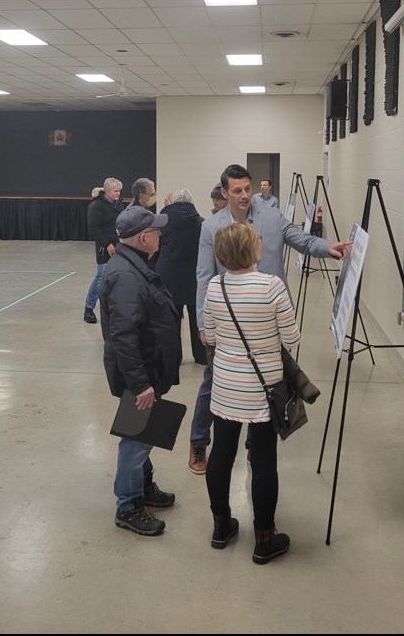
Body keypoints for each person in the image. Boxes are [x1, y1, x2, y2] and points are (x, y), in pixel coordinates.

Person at [186, 163, 349, 476]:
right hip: (231, 322)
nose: (245, 195)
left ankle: (254, 447)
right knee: (214, 382)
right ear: (225, 193)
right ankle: (198, 441)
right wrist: (203, 323)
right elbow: (204, 275)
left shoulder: (270, 217)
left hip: (267, 319)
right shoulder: (212, 226)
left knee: (268, 382)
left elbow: (300, 239)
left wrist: (328, 248)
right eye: (238, 190)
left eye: (247, 189)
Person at [202, 222, 299, 563]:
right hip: (263, 389)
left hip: (226, 388)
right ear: (251, 248)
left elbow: (209, 338)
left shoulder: (215, 287)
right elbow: (292, 337)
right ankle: (264, 537)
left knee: (221, 455)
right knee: (263, 462)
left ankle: (220, 525)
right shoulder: (271, 287)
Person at [100, 205, 182, 536]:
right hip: (140, 373)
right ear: (144, 237)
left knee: (144, 435)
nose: (161, 235)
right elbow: (124, 337)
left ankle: (144, 487)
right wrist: (141, 384)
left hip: (149, 368)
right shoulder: (125, 277)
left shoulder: (134, 265)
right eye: (157, 231)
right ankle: (128, 505)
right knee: (135, 440)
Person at [154, 189, 206, 366]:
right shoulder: (201, 223)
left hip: (168, 276)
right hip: (195, 276)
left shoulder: (162, 223)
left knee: (171, 320)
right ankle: (201, 356)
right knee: (197, 318)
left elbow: (155, 248)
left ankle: (174, 357)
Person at [85, 178, 124, 324]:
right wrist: (107, 244)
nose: (118, 193)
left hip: (119, 246)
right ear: (107, 191)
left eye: (119, 190)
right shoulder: (96, 206)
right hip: (104, 248)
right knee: (101, 277)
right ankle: (89, 308)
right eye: (115, 191)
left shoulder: (119, 205)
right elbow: (94, 228)